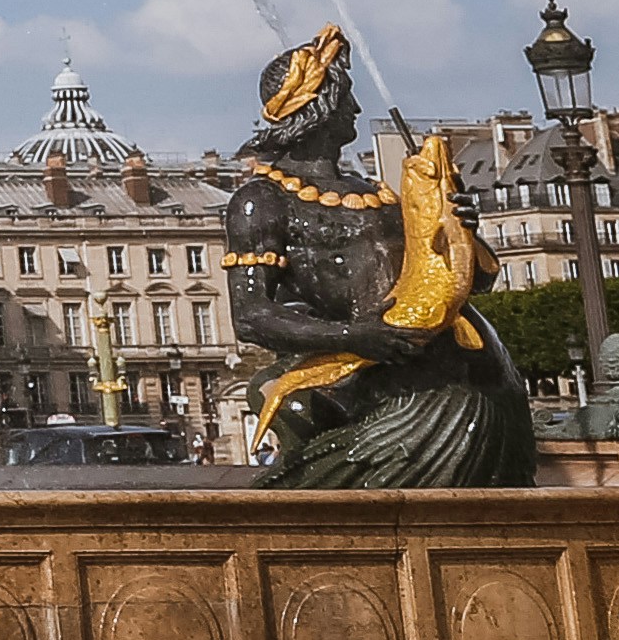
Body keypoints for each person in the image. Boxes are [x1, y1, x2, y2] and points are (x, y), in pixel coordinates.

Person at [225, 26, 536, 489]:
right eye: (347, 97)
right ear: (320, 108)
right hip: (396, 384)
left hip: (480, 370)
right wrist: (359, 336)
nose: (355, 108)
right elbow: (251, 317)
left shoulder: (378, 193)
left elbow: (473, 282)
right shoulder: (263, 200)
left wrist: (462, 231)